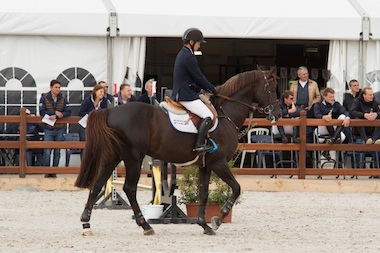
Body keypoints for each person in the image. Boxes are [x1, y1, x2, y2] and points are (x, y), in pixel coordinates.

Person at [171, 28, 218, 154]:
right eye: (198, 43)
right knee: (208, 115)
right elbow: (198, 77)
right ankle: (199, 145)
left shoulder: (183, 54)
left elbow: (192, 78)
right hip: (185, 95)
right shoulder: (189, 57)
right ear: (191, 42)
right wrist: (212, 89)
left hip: (184, 91)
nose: (199, 45)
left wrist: (202, 89)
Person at [39, 79, 71, 178]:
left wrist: (58, 115)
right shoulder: (44, 97)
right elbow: (41, 111)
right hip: (48, 127)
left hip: (60, 128)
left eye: (59, 87)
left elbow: (68, 111)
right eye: (56, 87)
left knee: (57, 151)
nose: (58, 89)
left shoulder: (63, 98)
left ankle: (54, 171)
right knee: (47, 151)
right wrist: (53, 113)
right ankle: (47, 171)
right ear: (51, 87)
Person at [313, 88, 350, 160]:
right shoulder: (318, 105)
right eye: (330, 97)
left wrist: (347, 118)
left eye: (333, 96)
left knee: (343, 116)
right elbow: (316, 115)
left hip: (335, 128)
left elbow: (345, 111)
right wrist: (323, 117)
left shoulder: (336, 104)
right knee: (328, 118)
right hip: (322, 128)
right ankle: (334, 138)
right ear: (324, 96)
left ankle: (332, 140)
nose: (332, 98)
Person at [78, 84, 108, 156]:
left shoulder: (104, 101)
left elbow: (105, 111)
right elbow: (81, 112)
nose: (102, 94)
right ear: (95, 92)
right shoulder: (87, 100)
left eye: (103, 92)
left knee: (97, 145)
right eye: (100, 92)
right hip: (85, 125)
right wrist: (93, 114)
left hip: (97, 126)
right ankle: (84, 164)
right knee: (85, 146)